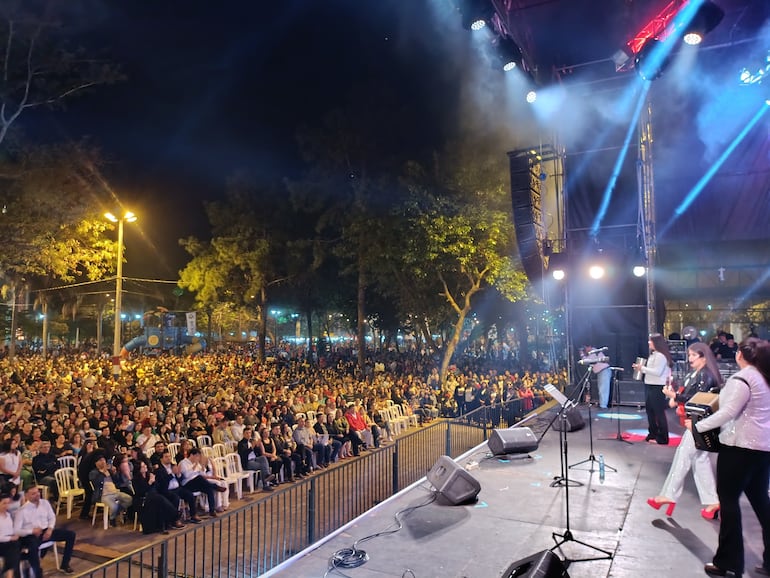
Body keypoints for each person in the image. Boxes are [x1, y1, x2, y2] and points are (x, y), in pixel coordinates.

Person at [691, 337, 770, 577]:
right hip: (763, 450)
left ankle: (728, 562)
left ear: (740, 355)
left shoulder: (742, 379)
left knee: (729, 502)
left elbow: (727, 412)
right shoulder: (765, 378)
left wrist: (698, 426)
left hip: (738, 449)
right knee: (762, 504)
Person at [647, 342, 722, 518]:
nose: (690, 359)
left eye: (693, 356)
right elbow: (689, 395)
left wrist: (676, 397)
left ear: (703, 356)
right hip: (698, 422)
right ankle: (713, 501)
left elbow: (698, 399)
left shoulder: (706, 375)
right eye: (689, 355)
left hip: (700, 423)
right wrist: (676, 398)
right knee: (699, 461)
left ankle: (668, 495)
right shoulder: (699, 374)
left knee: (684, 455)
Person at [14, 485, 76, 575]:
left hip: (46, 530)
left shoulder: (45, 503)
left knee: (71, 535)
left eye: (37, 492)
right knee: (33, 546)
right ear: (26, 496)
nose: (37, 495)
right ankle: (36, 572)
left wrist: (50, 529)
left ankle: (65, 565)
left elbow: (52, 517)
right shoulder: (22, 511)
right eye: (33, 494)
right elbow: (17, 530)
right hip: (32, 535)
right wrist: (32, 531)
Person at [633, 333, 673, 445]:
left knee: (658, 412)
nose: (648, 342)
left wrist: (642, 368)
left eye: (650, 341)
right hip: (651, 385)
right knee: (650, 411)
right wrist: (641, 368)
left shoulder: (660, 356)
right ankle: (653, 433)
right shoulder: (654, 355)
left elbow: (657, 372)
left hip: (658, 386)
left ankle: (663, 437)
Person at [89, 454, 133, 526]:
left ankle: (116, 512)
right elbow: (95, 482)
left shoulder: (109, 470)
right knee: (114, 506)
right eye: (100, 460)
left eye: (103, 460)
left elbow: (116, 481)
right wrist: (103, 472)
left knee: (129, 499)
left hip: (114, 492)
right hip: (103, 495)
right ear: (96, 463)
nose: (103, 462)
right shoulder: (93, 473)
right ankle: (112, 518)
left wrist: (114, 472)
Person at [0, 492, 21, 578]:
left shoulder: (8, 515)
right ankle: (10, 574)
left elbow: (11, 530)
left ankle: (9, 572)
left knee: (15, 547)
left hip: (10, 542)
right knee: (14, 548)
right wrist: (10, 538)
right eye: (4, 503)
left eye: (8, 503)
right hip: (2, 542)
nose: (6, 505)